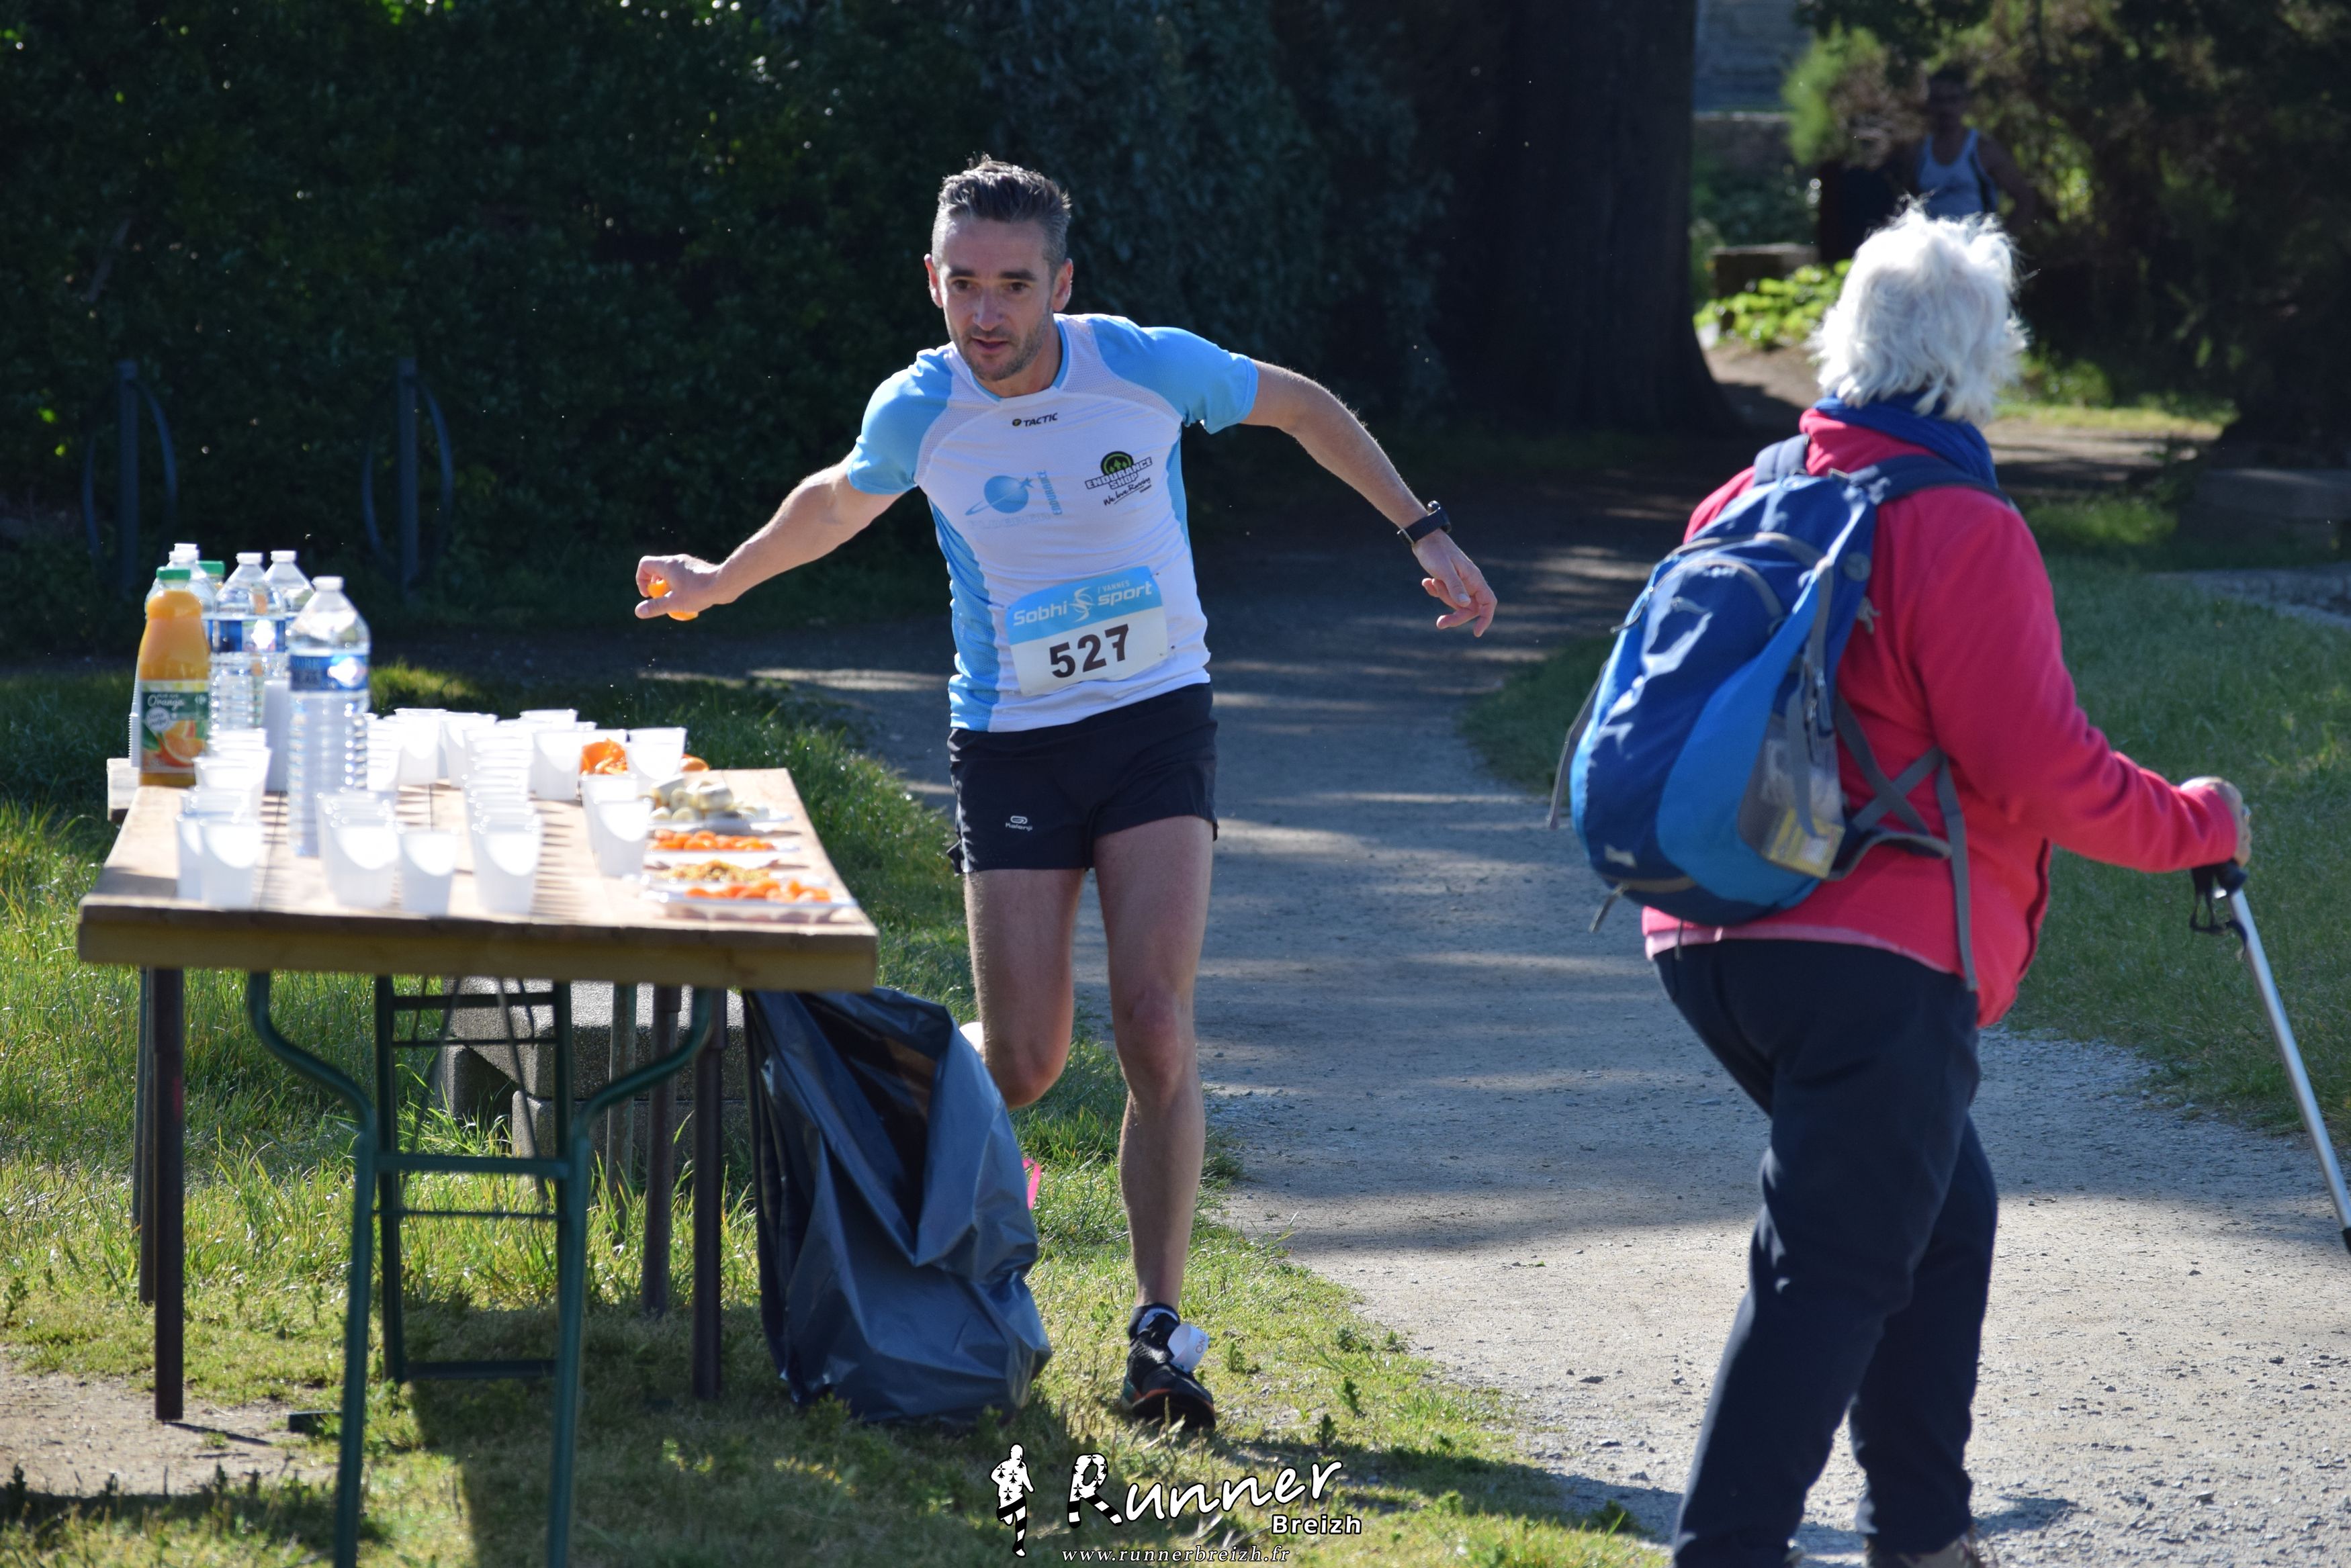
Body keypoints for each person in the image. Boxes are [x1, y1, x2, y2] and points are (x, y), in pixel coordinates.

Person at [634, 157, 1497, 1434]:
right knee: (1027, 1060)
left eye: (1014, 285)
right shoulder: (920, 407)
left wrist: (1424, 528)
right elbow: (835, 502)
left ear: (1062, 284)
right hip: (1013, 742)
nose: (986, 313)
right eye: (964, 284)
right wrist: (720, 580)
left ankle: (1159, 1329)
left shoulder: (1139, 366)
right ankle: (862, 1127)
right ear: (932, 281)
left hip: (1155, 723)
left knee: (1154, 1022)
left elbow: (1303, 406)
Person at [1641, 207, 2247, 1568]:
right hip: (1871, 953)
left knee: (1936, 1214)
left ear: (1845, 341)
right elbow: (2040, 769)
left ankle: (1922, 1534)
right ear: (1985, 357)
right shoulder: (1958, 524)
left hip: (1704, 930)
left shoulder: (1744, 494)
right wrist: (2196, 822)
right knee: (1834, 1267)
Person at [1896, 67, 2042, 229]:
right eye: (1939, 100)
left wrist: (2002, 238)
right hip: (1932, 243)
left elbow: (2025, 198)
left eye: (1953, 99)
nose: (1946, 108)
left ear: (1966, 102)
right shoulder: (1917, 154)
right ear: (1930, 104)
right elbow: (1905, 205)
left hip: (1975, 242)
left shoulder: (1983, 150)